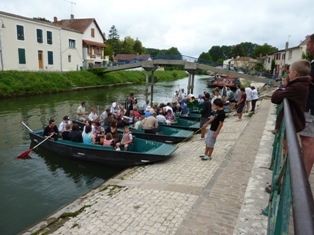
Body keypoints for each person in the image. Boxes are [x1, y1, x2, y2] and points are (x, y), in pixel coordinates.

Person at [298, 35, 314, 177]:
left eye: (308, 44)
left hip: (310, 109)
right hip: (309, 108)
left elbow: (306, 80)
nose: (307, 47)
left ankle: (303, 180)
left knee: (308, 142)